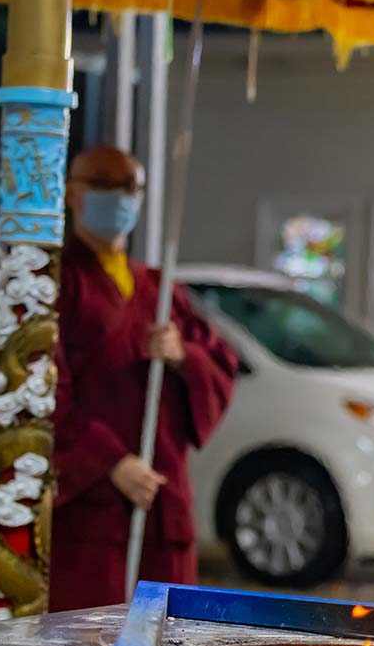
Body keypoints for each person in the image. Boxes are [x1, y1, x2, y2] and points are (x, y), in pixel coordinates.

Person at [49, 146, 238, 611]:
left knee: (164, 635)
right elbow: (45, 390)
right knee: (91, 636)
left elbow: (220, 364)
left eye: (128, 186)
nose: (117, 196)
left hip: (162, 497)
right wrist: (111, 462)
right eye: (101, 184)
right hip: (92, 505)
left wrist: (183, 355)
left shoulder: (161, 289)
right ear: (70, 193)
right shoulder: (57, 284)